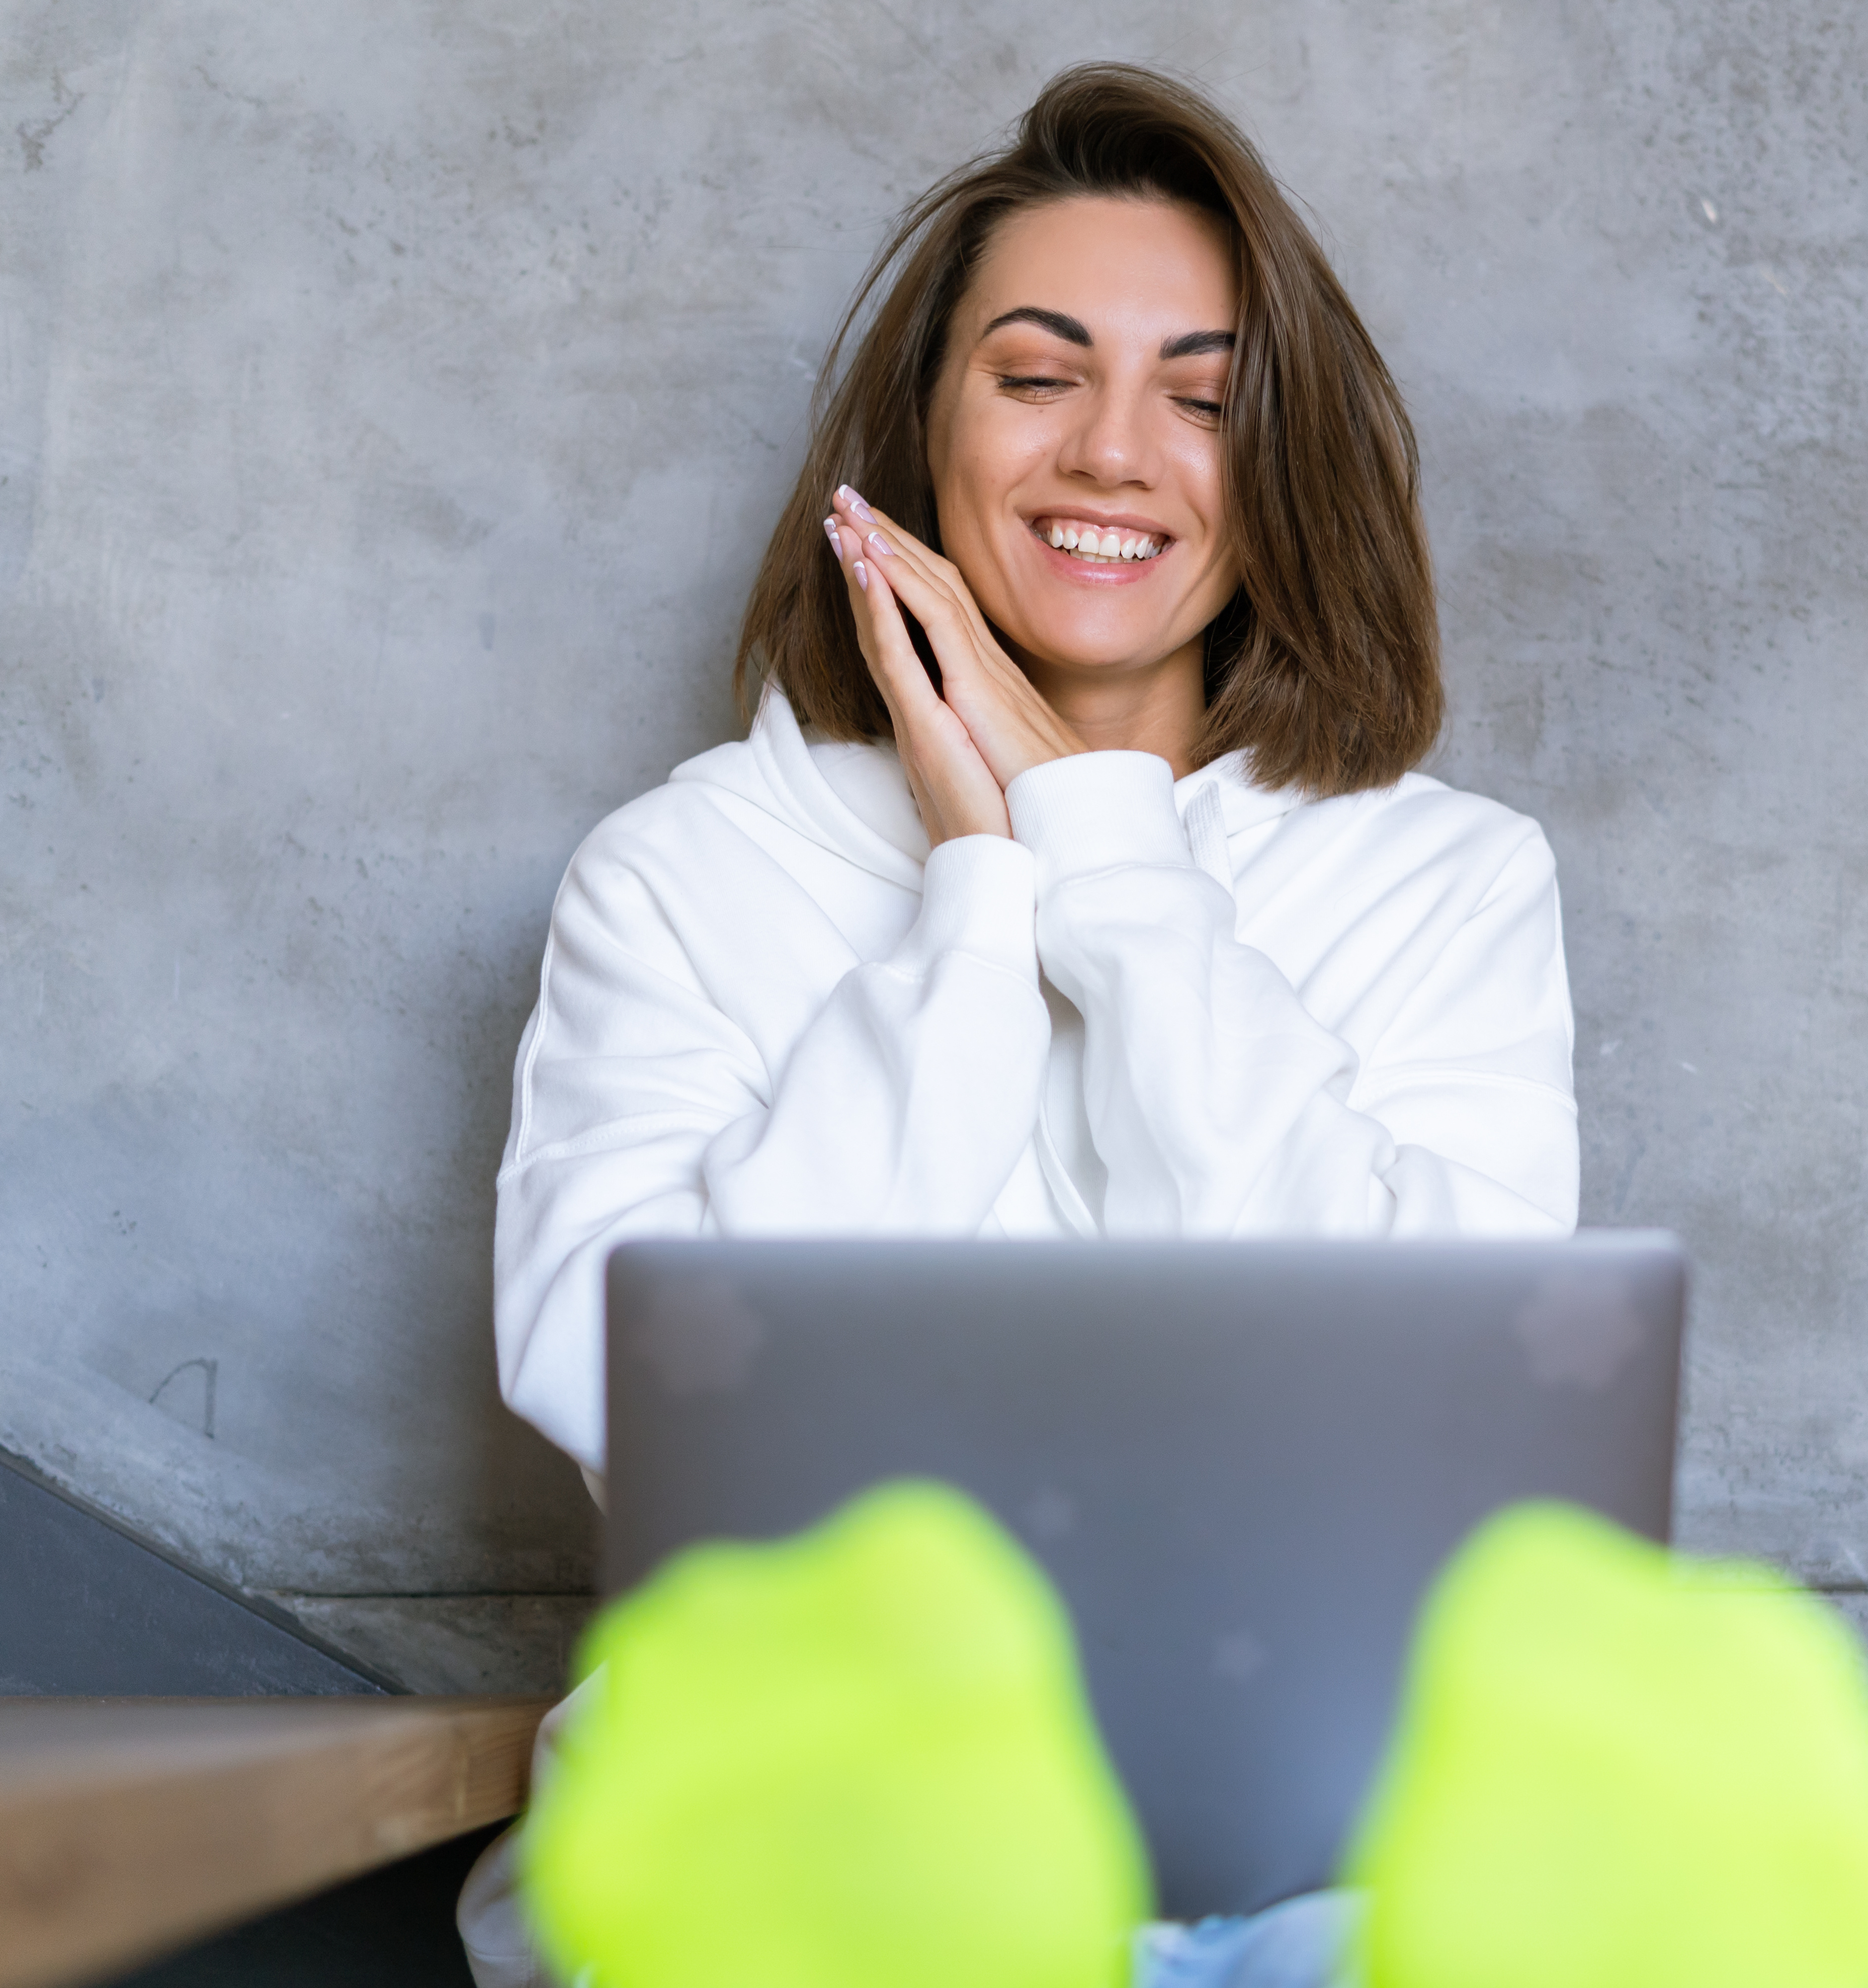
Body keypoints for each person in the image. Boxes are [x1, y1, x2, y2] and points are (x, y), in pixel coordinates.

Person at [461, 62, 1581, 1988]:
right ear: (927, 425)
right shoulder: (681, 872)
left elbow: (1423, 1437)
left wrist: (1107, 859)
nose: (1116, 455)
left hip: (1320, 1867)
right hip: (810, 1849)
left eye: (1206, 400)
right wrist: (976, 909)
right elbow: (660, 1426)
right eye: (1039, 373)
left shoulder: (1449, 883)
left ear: (1280, 466)